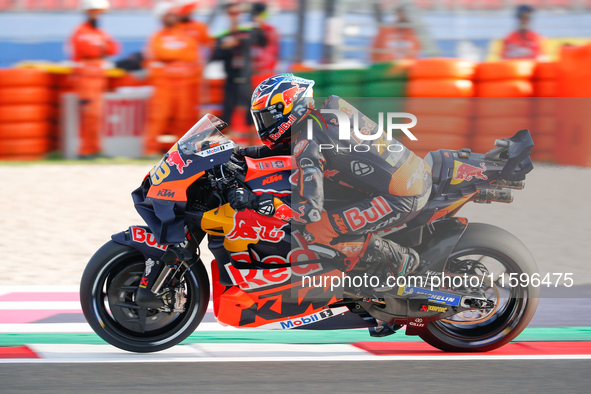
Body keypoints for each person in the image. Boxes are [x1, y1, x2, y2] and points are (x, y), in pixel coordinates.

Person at [228, 74, 431, 292]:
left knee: (317, 230)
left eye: (268, 117)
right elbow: (295, 148)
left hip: (402, 195)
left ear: (290, 107)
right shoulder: (325, 111)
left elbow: (308, 212)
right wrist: (245, 153)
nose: (265, 125)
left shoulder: (309, 143)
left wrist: (261, 201)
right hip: (408, 174)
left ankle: (400, 258)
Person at [143, 1, 199, 156]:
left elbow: (191, 55)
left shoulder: (185, 36)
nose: (172, 17)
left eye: (173, 14)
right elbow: (159, 53)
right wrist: (177, 55)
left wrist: (170, 56)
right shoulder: (157, 37)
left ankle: (184, 152)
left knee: (184, 117)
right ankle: (150, 149)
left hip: (184, 83)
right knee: (157, 117)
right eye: (168, 15)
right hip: (163, 83)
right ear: (162, 17)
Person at [210, 1, 267, 145]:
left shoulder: (247, 32)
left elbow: (262, 40)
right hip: (230, 79)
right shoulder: (223, 35)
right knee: (227, 113)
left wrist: (239, 39)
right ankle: (220, 146)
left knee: (250, 114)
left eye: (237, 13)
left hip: (246, 78)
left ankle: (253, 145)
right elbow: (215, 55)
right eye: (232, 14)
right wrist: (226, 47)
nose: (235, 17)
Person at [68, 0, 120, 158]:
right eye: (94, 11)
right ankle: (85, 150)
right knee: (89, 116)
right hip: (86, 79)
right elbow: (87, 49)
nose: (97, 15)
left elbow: (114, 48)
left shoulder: (100, 32)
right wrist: (102, 48)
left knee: (97, 117)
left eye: (99, 12)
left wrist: (101, 48)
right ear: (87, 12)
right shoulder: (80, 31)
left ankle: (95, 149)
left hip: (98, 78)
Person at [251, 2, 280, 76]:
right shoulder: (249, 30)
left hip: (266, 70)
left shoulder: (270, 30)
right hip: (253, 70)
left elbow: (269, 42)